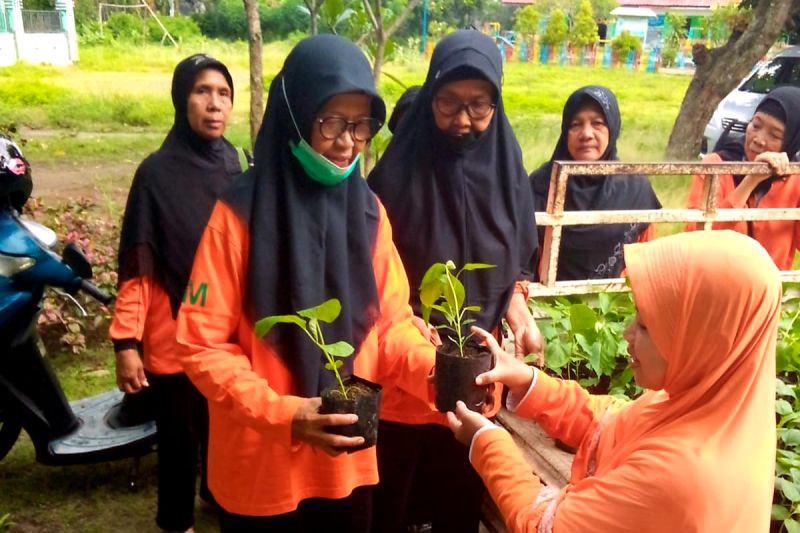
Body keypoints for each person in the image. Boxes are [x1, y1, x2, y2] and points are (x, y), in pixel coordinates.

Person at [174, 35, 437, 533]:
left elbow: (392, 324)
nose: (347, 142)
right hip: (262, 461)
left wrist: (435, 371)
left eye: (361, 126)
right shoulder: (238, 214)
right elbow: (200, 343)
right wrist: (284, 414)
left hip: (346, 459)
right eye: (332, 122)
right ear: (294, 116)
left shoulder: (368, 213)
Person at [448, 230, 779, 533]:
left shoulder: (682, 476)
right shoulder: (716, 414)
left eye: (647, 326)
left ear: (707, 341)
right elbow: (610, 421)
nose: (628, 333)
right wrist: (528, 380)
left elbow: (546, 526)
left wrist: (486, 440)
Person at [368, 29, 541, 533]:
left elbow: (512, 266)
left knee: (457, 500)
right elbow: (370, 267)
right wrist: (403, 319)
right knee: (392, 502)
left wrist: (520, 311)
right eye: (448, 103)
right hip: (403, 378)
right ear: (429, 98)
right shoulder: (396, 175)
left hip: (477, 378)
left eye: (479, 105)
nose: (463, 119)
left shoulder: (508, 175)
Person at [110, 54, 241, 533]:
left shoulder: (236, 163)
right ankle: (176, 521)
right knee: (180, 438)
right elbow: (138, 264)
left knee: (223, 429)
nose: (214, 104)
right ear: (181, 98)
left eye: (224, 94)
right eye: (202, 92)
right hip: (172, 337)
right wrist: (127, 343)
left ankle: (216, 494)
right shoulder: (156, 174)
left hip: (226, 332)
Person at [530, 86, 661, 281]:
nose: (586, 134)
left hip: (615, 303)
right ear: (565, 131)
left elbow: (647, 260)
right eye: (575, 124)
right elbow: (522, 257)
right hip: (546, 305)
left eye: (597, 123)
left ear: (613, 128)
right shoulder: (541, 186)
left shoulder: (634, 188)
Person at [687, 85, 800, 270]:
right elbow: (696, 235)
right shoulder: (715, 165)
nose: (759, 139)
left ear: (790, 143)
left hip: (768, 291)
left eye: (774, 135)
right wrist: (750, 181)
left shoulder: (794, 177)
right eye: (755, 125)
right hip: (715, 284)